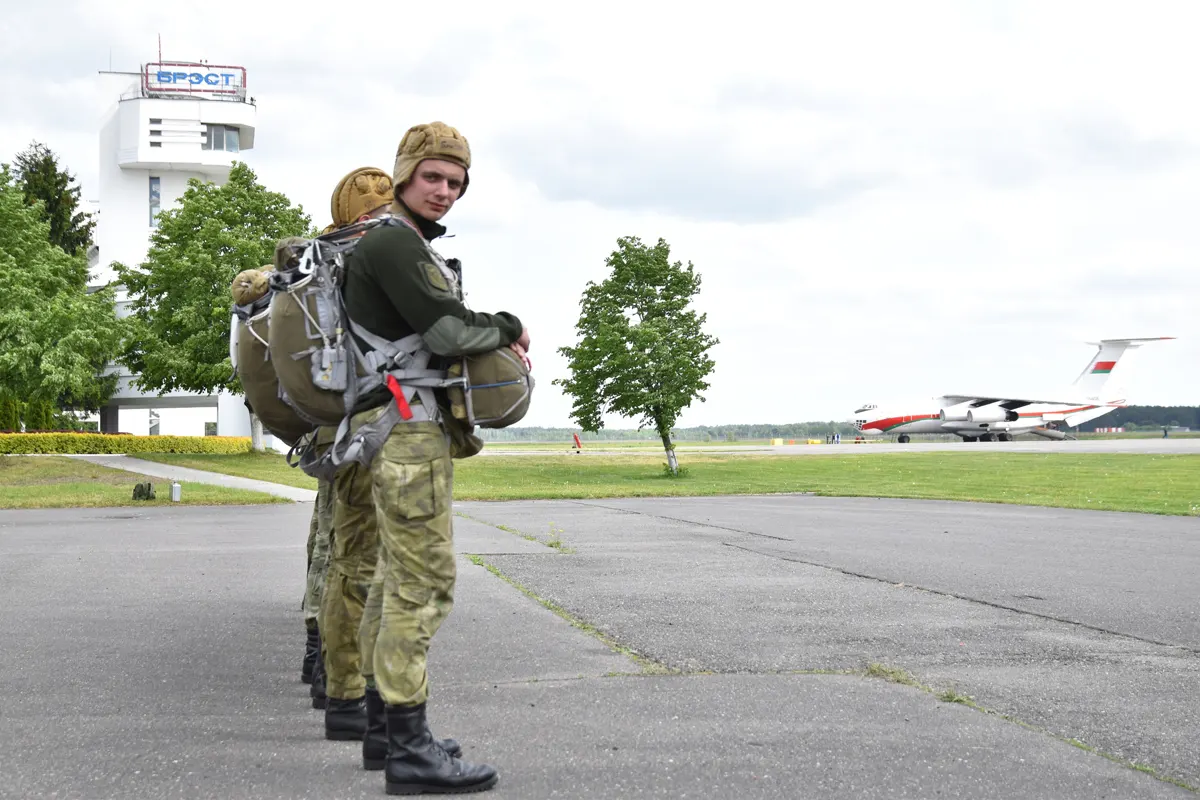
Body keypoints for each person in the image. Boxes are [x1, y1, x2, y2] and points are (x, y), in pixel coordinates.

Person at [340, 122, 526, 795]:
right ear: (404, 176)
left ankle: (385, 730)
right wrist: (510, 325)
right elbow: (449, 330)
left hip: (392, 428)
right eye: (433, 178)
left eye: (456, 182)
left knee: (393, 579)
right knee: (424, 581)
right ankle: (411, 748)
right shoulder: (393, 241)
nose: (445, 191)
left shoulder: (391, 239)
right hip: (408, 432)